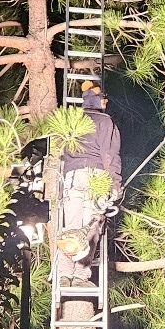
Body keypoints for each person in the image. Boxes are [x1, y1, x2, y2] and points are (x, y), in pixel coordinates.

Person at [57, 82, 122, 283]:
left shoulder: (70, 121)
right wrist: (115, 183)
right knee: (92, 226)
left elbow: (60, 152)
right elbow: (110, 155)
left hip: (73, 177)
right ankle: (81, 275)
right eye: (103, 99)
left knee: (71, 225)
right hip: (97, 179)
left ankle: (63, 272)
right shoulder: (105, 121)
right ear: (97, 99)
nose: (105, 102)